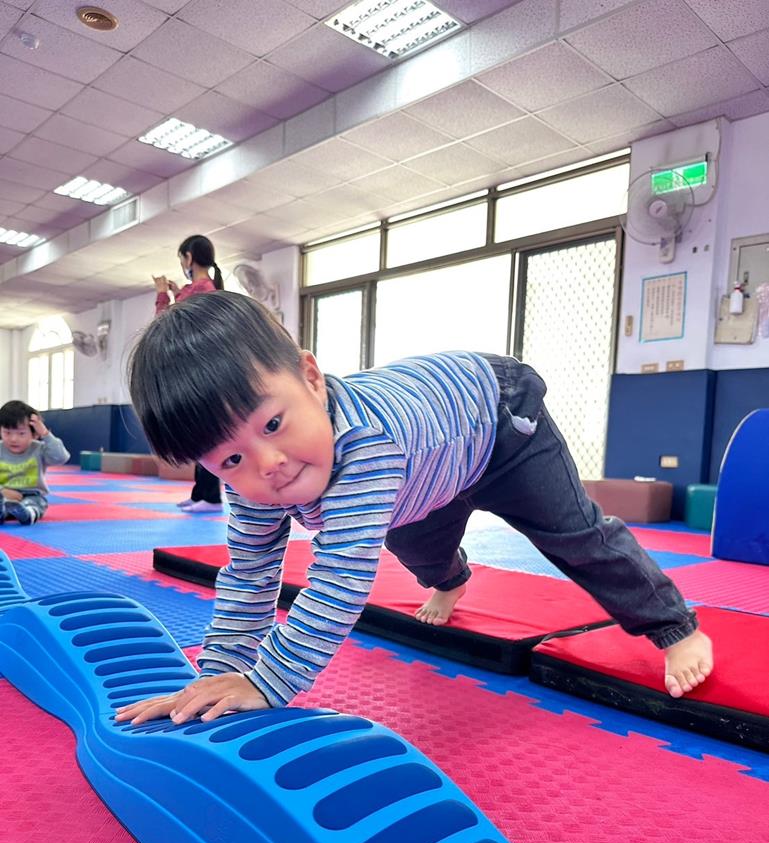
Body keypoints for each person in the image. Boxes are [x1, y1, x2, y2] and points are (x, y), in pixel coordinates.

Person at [117, 292, 714, 727]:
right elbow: (249, 575)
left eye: (273, 424)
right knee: (417, 548)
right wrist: (216, 677)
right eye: (230, 459)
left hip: (501, 423)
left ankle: (673, 626)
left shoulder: (366, 448)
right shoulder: (250, 483)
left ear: (311, 378)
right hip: (427, 472)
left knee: (575, 535)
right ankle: (451, 580)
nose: (267, 463)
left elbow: (339, 579)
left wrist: (267, 682)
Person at [153, 233, 224, 514]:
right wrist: (175, 293)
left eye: (182, 258)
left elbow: (164, 326)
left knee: (206, 437)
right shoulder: (201, 289)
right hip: (202, 372)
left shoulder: (201, 290)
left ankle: (211, 497)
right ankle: (200, 494)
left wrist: (162, 294)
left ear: (189, 257)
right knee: (200, 437)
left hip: (201, 374)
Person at [0, 400, 70, 525]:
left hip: (32, 494)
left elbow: (61, 458)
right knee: (3, 502)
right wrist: (2, 491)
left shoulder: (39, 449)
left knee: (36, 503)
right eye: (7, 432)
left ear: (34, 434)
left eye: (21, 433)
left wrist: (45, 433)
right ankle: (3, 511)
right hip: (3, 493)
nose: (13, 439)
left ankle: (28, 513)